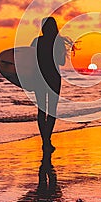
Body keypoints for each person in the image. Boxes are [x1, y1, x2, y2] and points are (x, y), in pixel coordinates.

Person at [31, 17, 68, 153]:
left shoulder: (37, 41)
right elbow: (62, 62)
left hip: (39, 78)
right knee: (52, 111)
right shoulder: (58, 43)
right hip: (53, 77)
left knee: (42, 110)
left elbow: (30, 59)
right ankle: (47, 140)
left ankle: (45, 141)